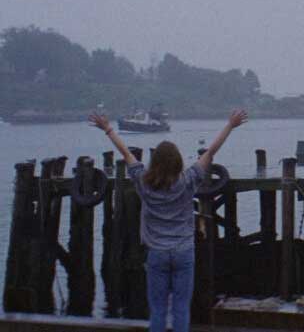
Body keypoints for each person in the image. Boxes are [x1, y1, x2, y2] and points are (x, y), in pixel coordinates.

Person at [89, 109, 248, 332]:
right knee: (182, 308)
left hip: (157, 253)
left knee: (158, 309)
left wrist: (107, 129)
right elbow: (211, 152)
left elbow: (126, 154)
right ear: (177, 162)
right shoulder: (188, 180)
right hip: (183, 251)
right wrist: (230, 125)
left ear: (154, 162)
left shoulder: (144, 182)